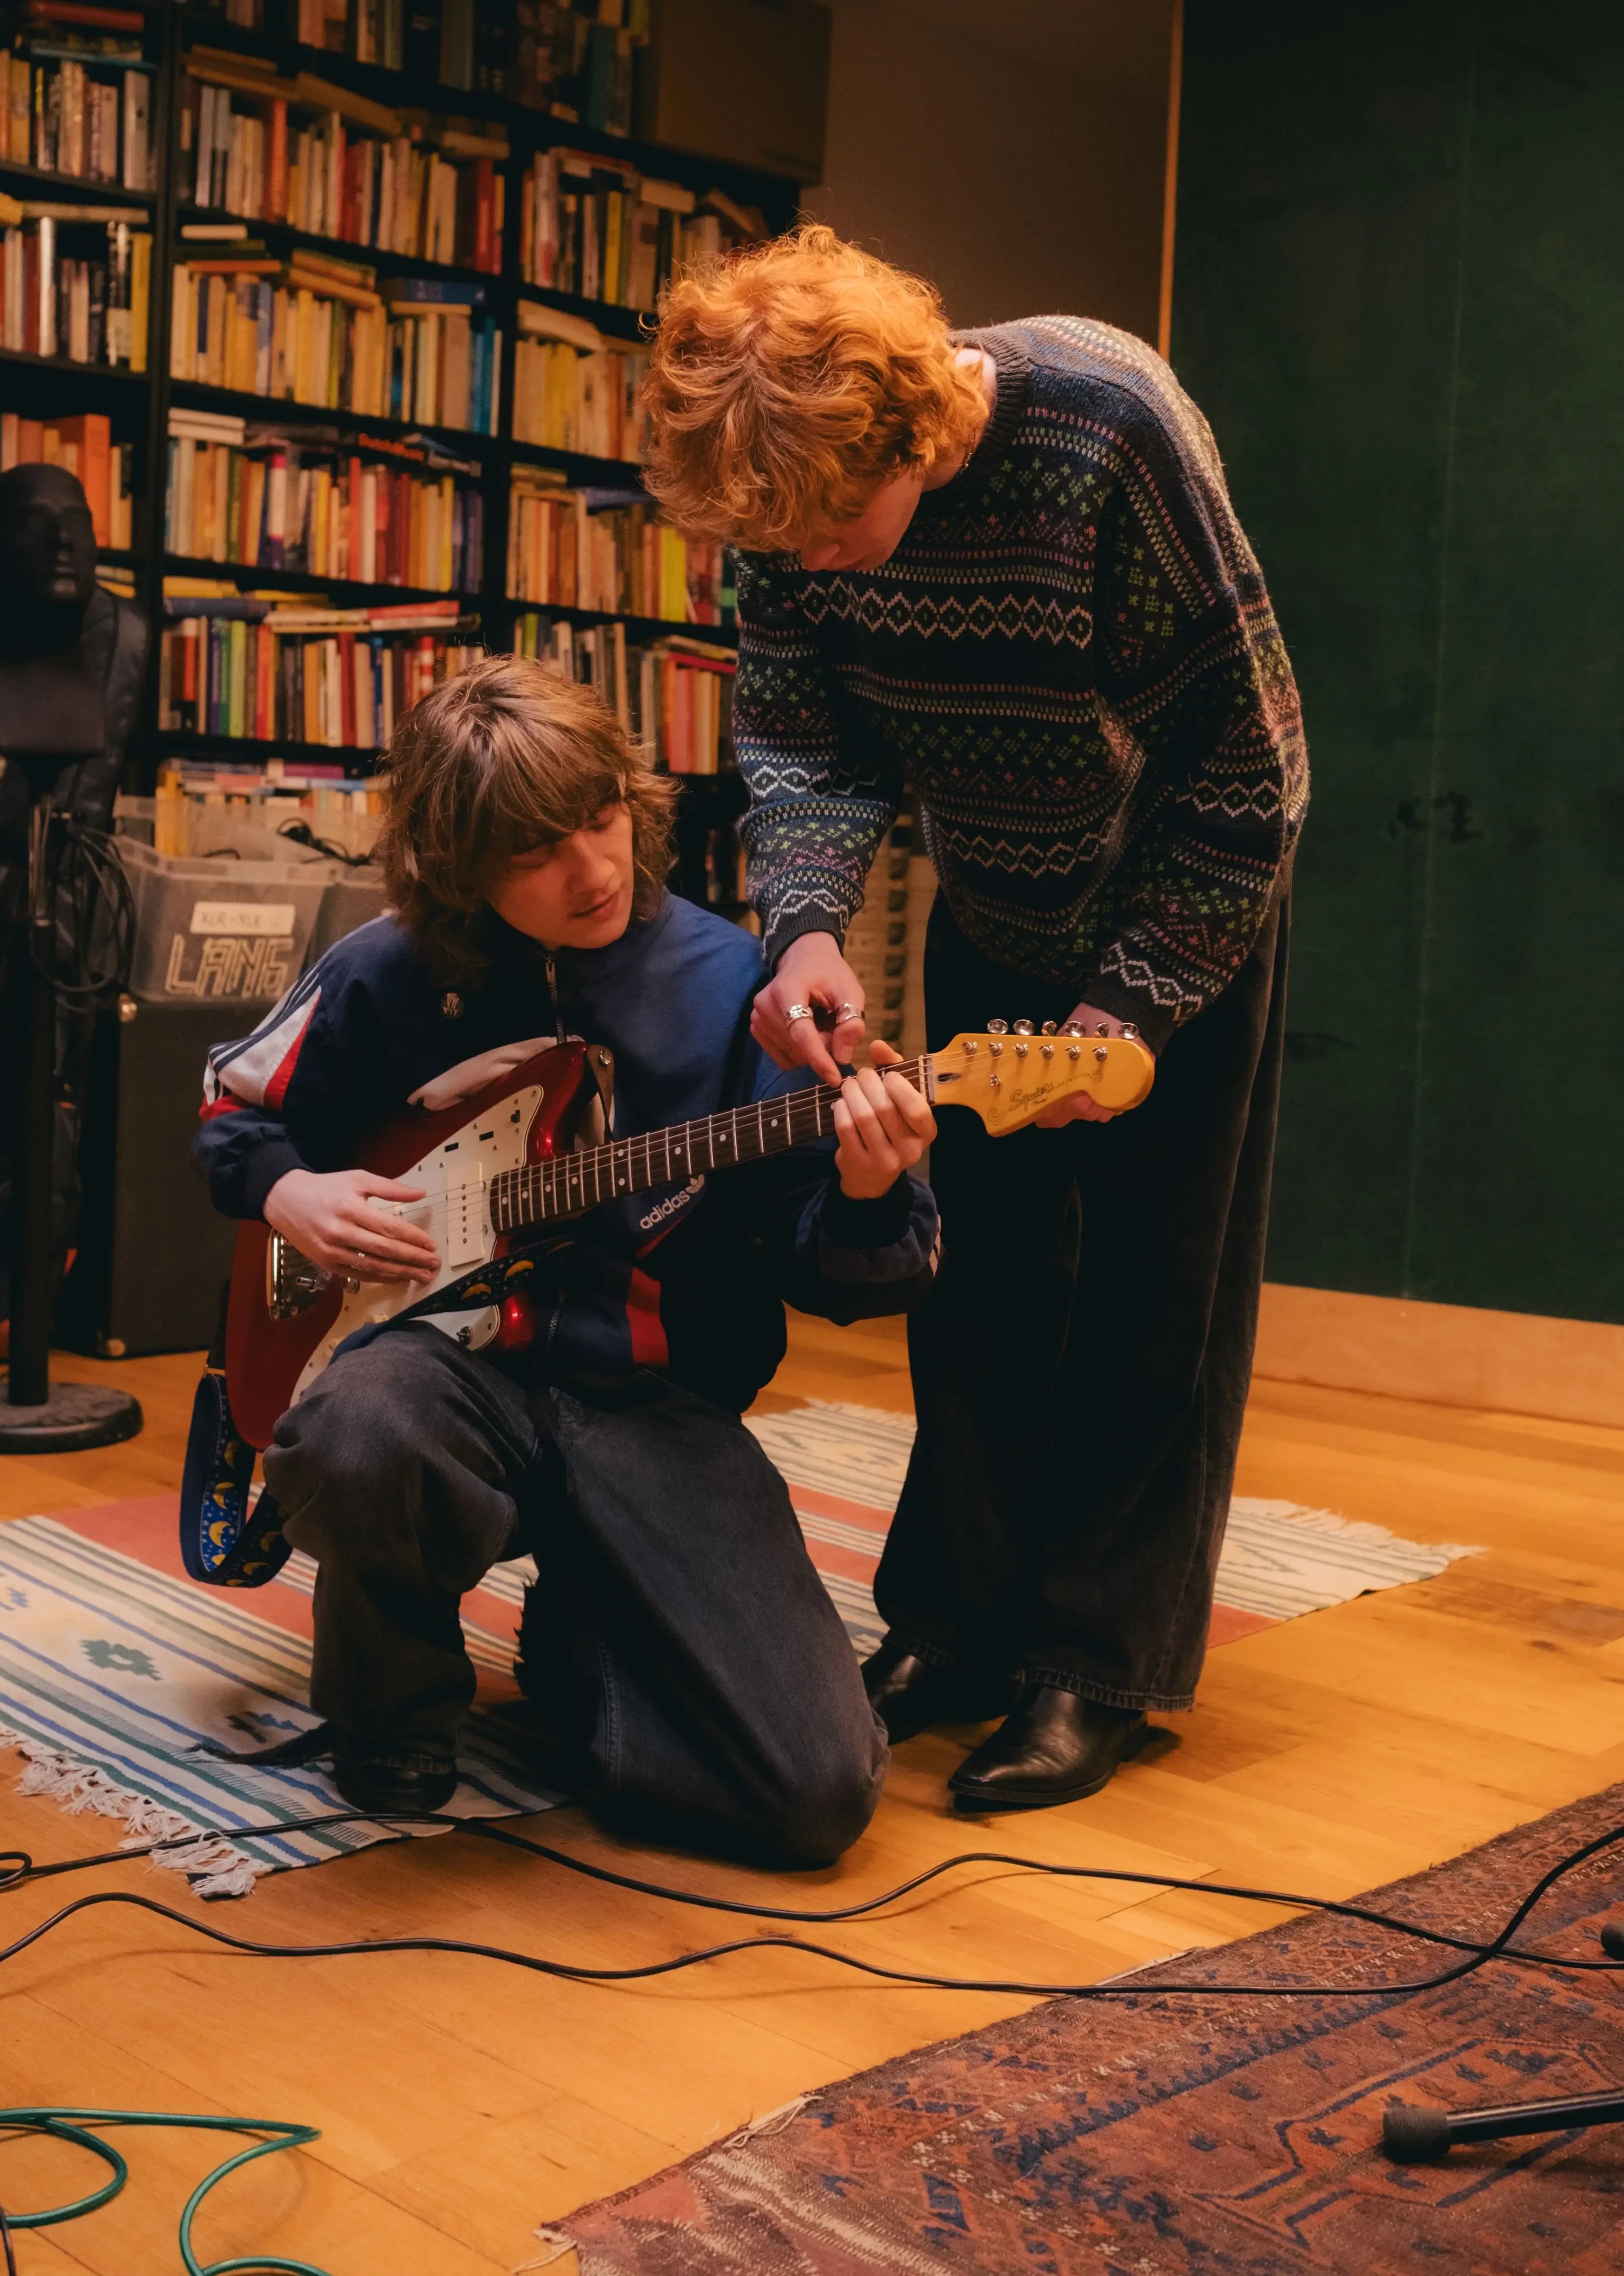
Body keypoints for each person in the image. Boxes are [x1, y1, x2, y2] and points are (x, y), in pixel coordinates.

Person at [641, 227, 1309, 1813]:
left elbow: (1252, 764)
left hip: (1178, 908)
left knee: (1157, 1292)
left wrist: (1138, 1002)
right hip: (998, 898)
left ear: (918, 440)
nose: (813, 571)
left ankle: (1096, 1664)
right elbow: (803, 736)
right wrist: (803, 924)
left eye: (837, 538)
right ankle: (950, 1622)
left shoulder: (1103, 436)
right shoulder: (786, 492)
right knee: (982, 1277)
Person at [192, 656, 940, 1868]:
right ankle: (393, 1705)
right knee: (350, 1429)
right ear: (457, 864)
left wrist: (868, 1185)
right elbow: (232, 1111)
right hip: (442, 1380)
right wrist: (293, 1190)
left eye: (600, 818)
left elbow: (856, 1276)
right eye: (535, 852)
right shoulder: (388, 968)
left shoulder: (744, 990)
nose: (592, 869)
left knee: (812, 1797)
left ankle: (580, 1641)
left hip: (655, 1405)